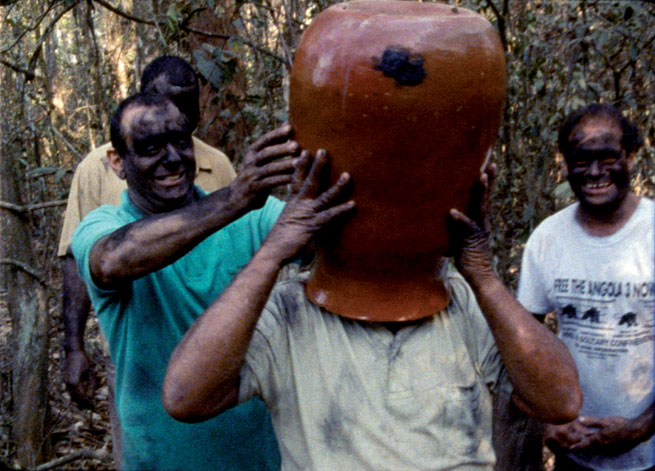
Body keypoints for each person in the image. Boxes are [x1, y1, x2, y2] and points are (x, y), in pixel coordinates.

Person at [163, 149, 583, 470]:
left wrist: (483, 275)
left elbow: (560, 401)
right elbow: (185, 397)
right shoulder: (290, 310)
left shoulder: (461, 297)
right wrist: (271, 253)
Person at [71, 91, 298, 470]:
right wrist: (236, 197)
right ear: (117, 162)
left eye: (181, 141)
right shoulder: (104, 225)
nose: (173, 158)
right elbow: (112, 260)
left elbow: (325, 238)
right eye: (151, 147)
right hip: (160, 461)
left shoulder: (253, 217)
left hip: (257, 459)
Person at [58, 56, 235, 468]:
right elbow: (80, 260)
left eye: (189, 106)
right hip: (135, 356)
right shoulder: (96, 168)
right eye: (167, 101)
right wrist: (73, 348)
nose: (178, 113)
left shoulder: (217, 164)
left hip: (215, 347)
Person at [516, 103, 655, 471]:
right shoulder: (548, 238)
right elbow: (522, 346)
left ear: (630, 157)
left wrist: (643, 426)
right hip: (574, 452)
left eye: (607, 157)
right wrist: (548, 421)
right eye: (581, 160)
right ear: (565, 165)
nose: (594, 172)